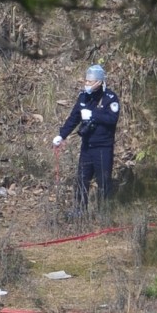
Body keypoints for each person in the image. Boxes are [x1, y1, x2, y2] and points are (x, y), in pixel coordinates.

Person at [52, 64, 120, 211]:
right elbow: (73, 118)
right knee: (82, 180)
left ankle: (104, 214)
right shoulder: (83, 96)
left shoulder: (110, 98)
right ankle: (79, 212)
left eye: (90, 81)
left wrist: (93, 115)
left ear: (99, 82)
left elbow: (112, 119)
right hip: (87, 146)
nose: (87, 84)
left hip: (103, 148)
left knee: (103, 182)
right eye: (86, 81)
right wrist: (61, 135)